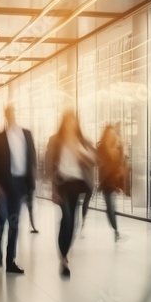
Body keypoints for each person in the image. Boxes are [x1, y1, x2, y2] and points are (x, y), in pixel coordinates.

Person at [0, 105, 37, 275]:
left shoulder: (27, 134)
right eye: (9, 113)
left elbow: (32, 158)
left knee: (14, 222)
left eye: (14, 112)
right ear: (5, 115)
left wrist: (31, 184)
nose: (12, 115)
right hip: (4, 184)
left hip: (20, 184)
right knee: (2, 219)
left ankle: (10, 261)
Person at [46, 111, 96, 277]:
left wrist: (79, 151)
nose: (70, 124)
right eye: (67, 121)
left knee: (71, 222)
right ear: (63, 123)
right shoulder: (55, 141)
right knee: (66, 218)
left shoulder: (82, 141)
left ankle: (64, 255)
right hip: (63, 184)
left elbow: (95, 160)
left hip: (77, 185)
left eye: (73, 121)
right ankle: (64, 258)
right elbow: (49, 164)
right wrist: (53, 189)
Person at [96, 124, 128, 241]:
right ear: (105, 135)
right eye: (109, 133)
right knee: (110, 206)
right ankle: (116, 230)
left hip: (114, 180)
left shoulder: (118, 147)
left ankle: (115, 230)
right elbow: (99, 163)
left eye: (113, 133)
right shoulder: (101, 148)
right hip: (106, 181)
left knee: (111, 206)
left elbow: (121, 164)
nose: (112, 135)